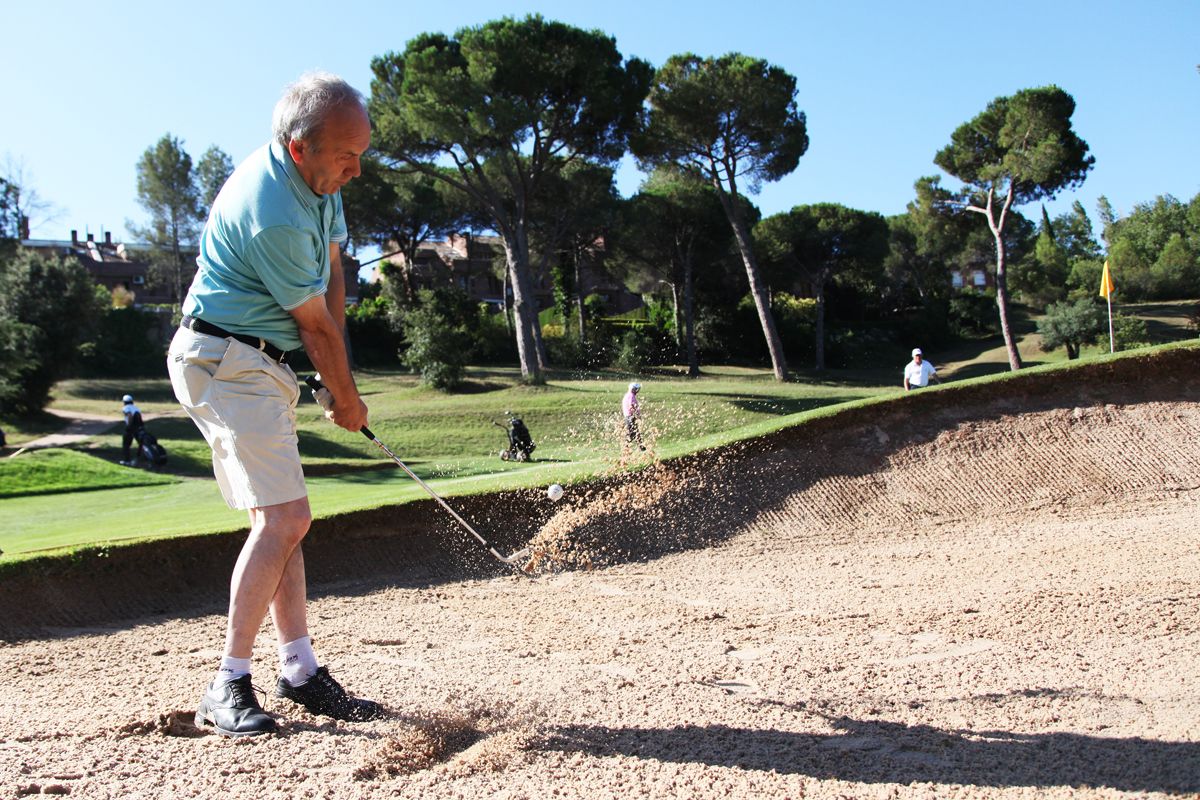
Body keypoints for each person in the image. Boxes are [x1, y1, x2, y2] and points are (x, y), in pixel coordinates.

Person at [166, 71, 380, 737]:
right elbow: (313, 326)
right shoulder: (276, 210)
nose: (356, 170)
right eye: (346, 157)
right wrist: (345, 398)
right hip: (226, 359)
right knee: (286, 517)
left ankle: (299, 670)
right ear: (298, 147)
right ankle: (226, 683)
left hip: (261, 362)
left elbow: (334, 272)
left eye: (362, 155)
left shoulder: (322, 184)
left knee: (283, 518)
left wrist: (334, 378)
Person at [120, 394, 145, 466]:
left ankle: (127, 460)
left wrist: (129, 425)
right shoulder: (136, 408)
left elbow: (129, 415)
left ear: (124, 402)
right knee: (141, 443)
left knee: (126, 444)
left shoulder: (126, 408)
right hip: (139, 427)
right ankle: (141, 458)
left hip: (131, 428)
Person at [622, 381, 645, 450]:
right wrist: (637, 414)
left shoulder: (628, 395)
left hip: (629, 417)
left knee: (636, 432)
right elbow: (631, 406)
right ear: (633, 389)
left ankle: (641, 447)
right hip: (630, 417)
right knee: (631, 433)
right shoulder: (631, 396)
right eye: (637, 389)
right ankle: (626, 448)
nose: (638, 391)